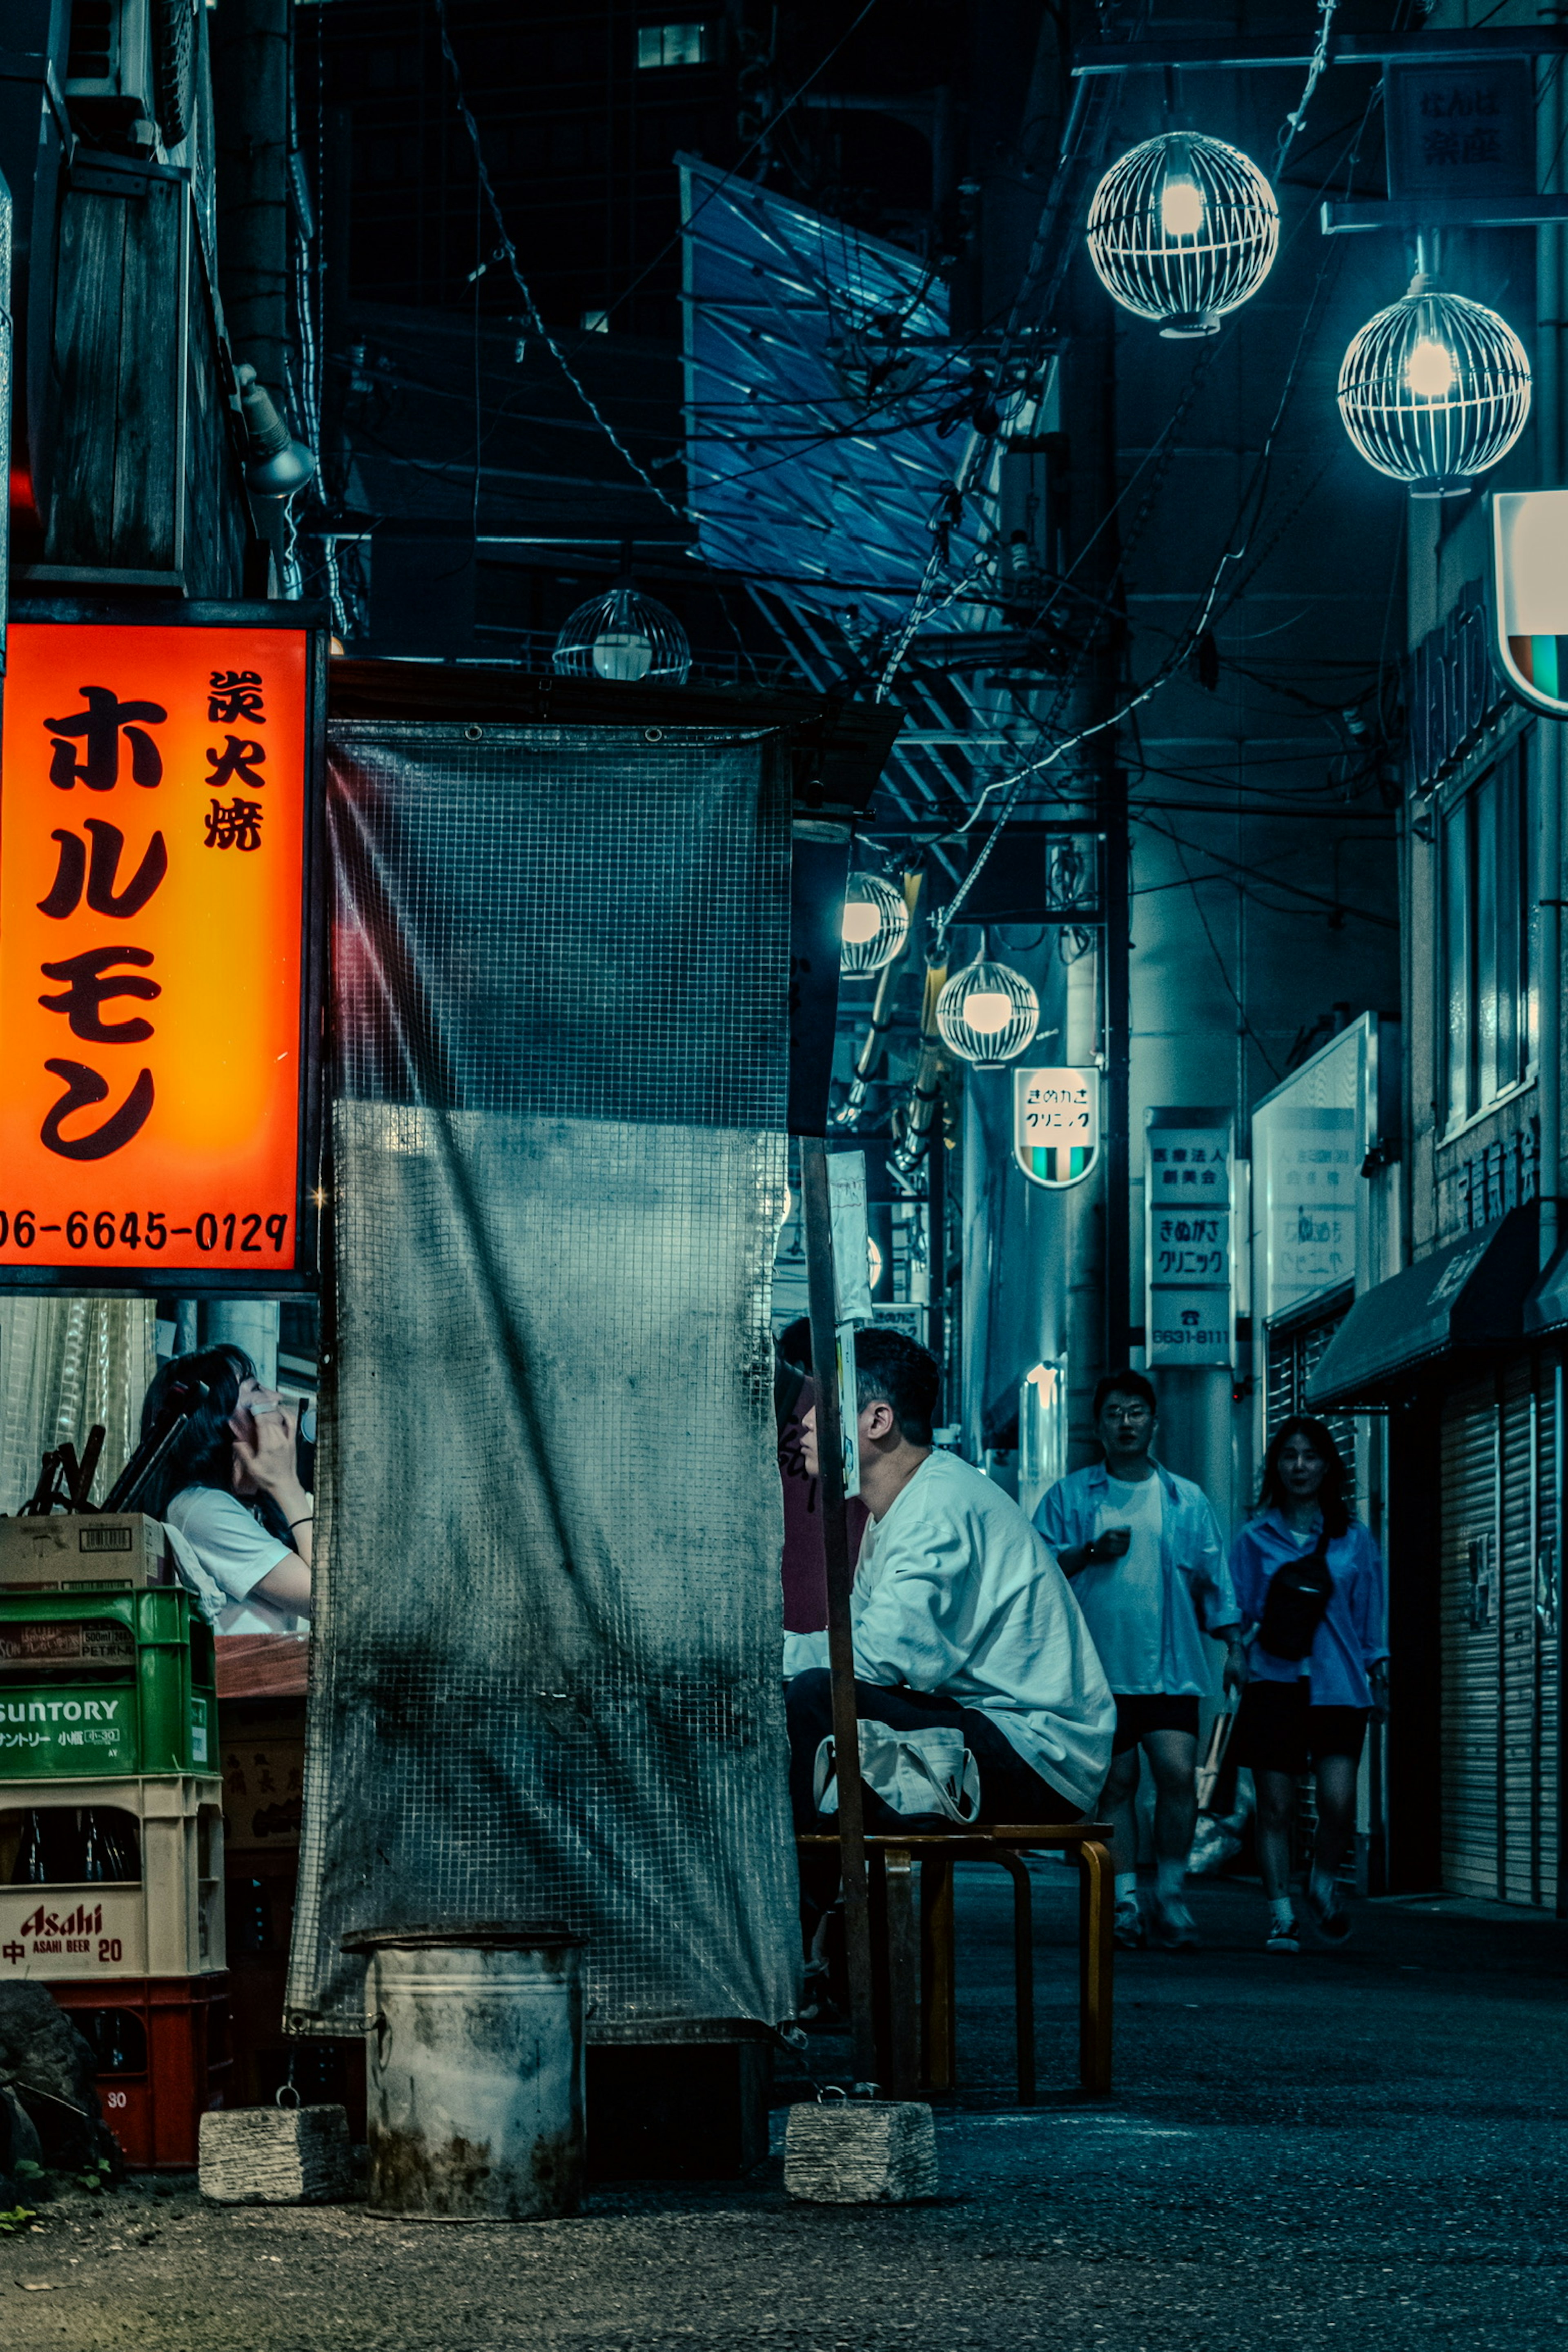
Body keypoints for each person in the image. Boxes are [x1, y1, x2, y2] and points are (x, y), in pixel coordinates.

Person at [786, 1328, 1114, 1830]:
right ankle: (830, 1902)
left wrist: (764, 1654)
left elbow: (878, 1659)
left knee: (814, 1701)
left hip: (1038, 1754)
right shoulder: (898, 1508)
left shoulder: (936, 1506)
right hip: (985, 1725)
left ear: (877, 1421)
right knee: (813, 1706)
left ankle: (803, 1909)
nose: (806, 1420)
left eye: (824, 1404)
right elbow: (858, 1643)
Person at [1034, 1371, 1241, 1953]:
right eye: (1114, 1414)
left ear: (1154, 1421)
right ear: (1098, 1426)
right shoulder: (1073, 1497)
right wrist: (1088, 1552)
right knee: (1117, 1785)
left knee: (1179, 1776)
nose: (1125, 1424)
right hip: (1098, 1672)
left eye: (1136, 1413)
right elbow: (1037, 1569)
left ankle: (1171, 1892)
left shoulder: (1185, 1500)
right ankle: (1125, 1900)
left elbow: (1214, 1580)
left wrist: (1235, 1646)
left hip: (1171, 1667)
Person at [1229, 1416, 1388, 1953]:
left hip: (1339, 1686)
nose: (1300, 1466)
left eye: (1311, 1456)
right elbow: (1236, 1610)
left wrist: (1379, 1666)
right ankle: (1281, 1916)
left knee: (1339, 1802)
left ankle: (1321, 1882)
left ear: (1327, 1465)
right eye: (1290, 1456)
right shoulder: (1255, 1539)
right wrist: (1234, 1650)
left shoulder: (1355, 1540)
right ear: (1276, 1466)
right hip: (1274, 1683)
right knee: (1275, 1807)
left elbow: (1371, 1615)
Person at [138, 1346, 313, 1635]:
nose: (275, 1398)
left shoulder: (258, 1507)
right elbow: (327, 1600)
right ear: (225, 1423)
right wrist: (287, 1484)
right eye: (256, 1389)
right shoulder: (200, 1508)